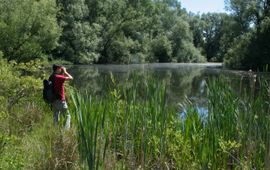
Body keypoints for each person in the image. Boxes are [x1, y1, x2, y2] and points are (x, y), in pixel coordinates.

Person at [49, 64, 73, 129]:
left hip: (53, 100)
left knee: (56, 115)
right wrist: (65, 72)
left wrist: (62, 72)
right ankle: (66, 130)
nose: (61, 69)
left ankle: (55, 129)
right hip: (60, 100)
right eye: (60, 68)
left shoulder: (52, 76)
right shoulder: (58, 77)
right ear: (57, 69)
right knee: (68, 116)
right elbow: (71, 78)